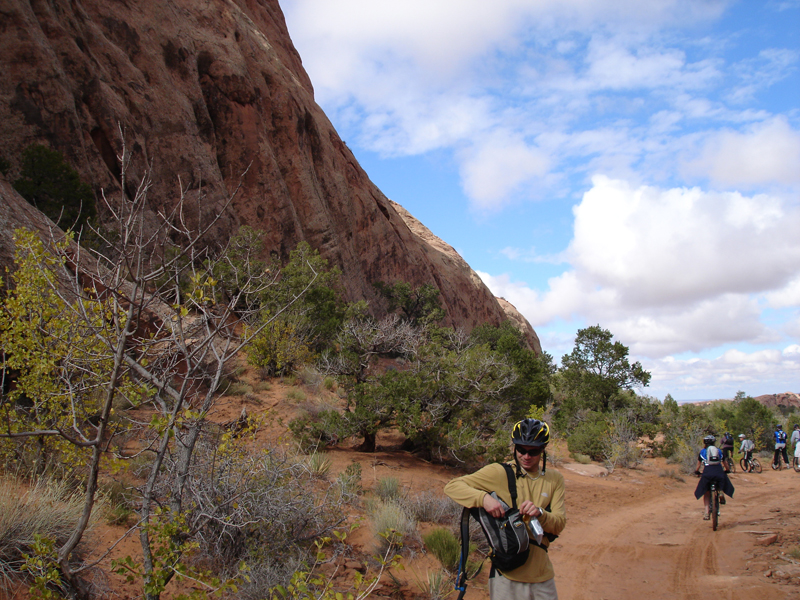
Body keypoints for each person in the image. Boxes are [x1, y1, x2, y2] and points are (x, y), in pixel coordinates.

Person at [444, 419, 566, 599]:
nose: (526, 456)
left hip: (542, 577)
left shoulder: (554, 479)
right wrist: (483, 499)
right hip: (506, 575)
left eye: (533, 452)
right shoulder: (500, 472)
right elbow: (452, 486)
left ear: (542, 451)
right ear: (515, 448)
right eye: (521, 450)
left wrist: (540, 513)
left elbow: (559, 524)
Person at [694, 434, 734, 520]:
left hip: (707, 472)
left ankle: (706, 513)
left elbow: (698, 464)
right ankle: (720, 492)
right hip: (718, 471)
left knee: (706, 492)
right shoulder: (719, 451)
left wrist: (696, 471)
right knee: (722, 481)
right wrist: (727, 470)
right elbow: (725, 462)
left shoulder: (702, 451)